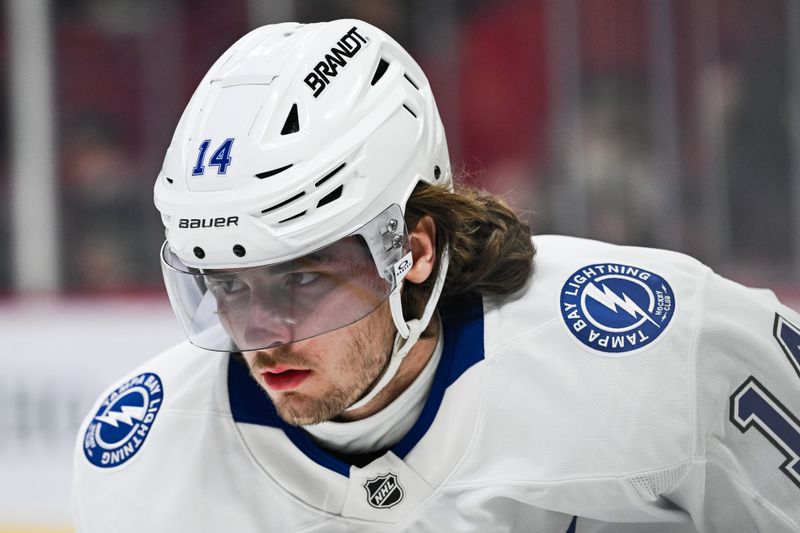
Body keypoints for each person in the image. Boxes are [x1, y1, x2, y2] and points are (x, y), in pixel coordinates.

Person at [72, 19, 800, 533]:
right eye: (229, 285)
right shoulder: (149, 458)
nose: (262, 332)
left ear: (413, 249)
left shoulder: (659, 346)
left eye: (302, 280)